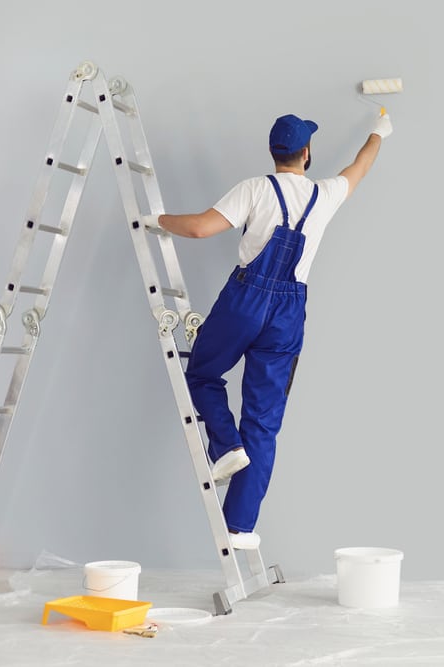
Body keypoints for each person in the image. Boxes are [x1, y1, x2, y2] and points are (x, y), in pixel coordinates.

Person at [145, 111, 393, 550]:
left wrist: (158, 220)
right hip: (289, 312)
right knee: (263, 421)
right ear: (307, 153)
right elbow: (362, 163)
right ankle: (239, 527)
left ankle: (224, 446)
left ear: (274, 153)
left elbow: (201, 228)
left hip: (245, 300)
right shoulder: (327, 193)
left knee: (202, 374)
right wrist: (380, 130)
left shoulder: (256, 188)